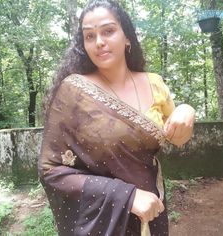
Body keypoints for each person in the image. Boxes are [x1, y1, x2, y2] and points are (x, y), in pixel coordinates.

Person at [38, 0, 195, 235]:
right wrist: (127, 197)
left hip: (153, 211)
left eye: (108, 31)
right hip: (104, 222)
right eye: (89, 36)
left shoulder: (154, 84)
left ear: (127, 37)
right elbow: (50, 168)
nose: (99, 42)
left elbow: (178, 137)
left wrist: (187, 110)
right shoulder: (73, 92)